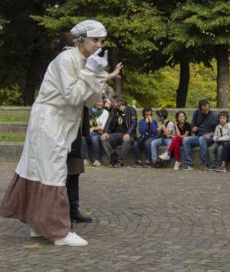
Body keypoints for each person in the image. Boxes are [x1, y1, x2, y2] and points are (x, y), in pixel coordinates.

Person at [0, 20, 121, 246]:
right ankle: (58, 231)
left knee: (43, 169)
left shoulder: (84, 61)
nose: (99, 45)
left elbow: (91, 101)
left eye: (101, 40)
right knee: (51, 170)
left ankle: (40, 225)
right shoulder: (66, 60)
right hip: (50, 119)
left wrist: (96, 75)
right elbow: (73, 96)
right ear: (81, 39)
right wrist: (88, 73)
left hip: (62, 122)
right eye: (95, 39)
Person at [182, 99, 218, 170]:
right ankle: (189, 163)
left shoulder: (214, 115)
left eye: (207, 109)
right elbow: (192, 125)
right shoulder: (196, 113)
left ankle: (204, 164)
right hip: (198, 136)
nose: (206, 112)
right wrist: (193, 128)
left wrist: (210, 133)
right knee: (186, 139)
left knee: (202, 139)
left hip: (209, 138)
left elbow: (218, 130)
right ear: (199, 109)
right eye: (204, 111)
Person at [101, 100, 137, 167]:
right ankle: (113, 157)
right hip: (117, 134)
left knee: (127, 141)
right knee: (103, 139)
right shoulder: (114, 110)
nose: (113, 104)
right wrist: (105, 132)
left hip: (128, 134)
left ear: (120, 103)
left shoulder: (131, 110)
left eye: (114, 103)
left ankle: (120, 161)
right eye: (112, 103)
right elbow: (109, 121)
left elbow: (133, 124)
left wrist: (128, 133)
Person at [82, 100, 110, 166]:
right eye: (97, 102)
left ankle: (97, 160)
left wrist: (94, 128)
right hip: (91, 133)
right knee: (83, 138)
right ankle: (86, 159)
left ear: (103, 104)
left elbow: (103, 126)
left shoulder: (105, 112)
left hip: (100, 133)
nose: (99, 103)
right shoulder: (91, 111)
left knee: (94, 138)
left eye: (100, 102)